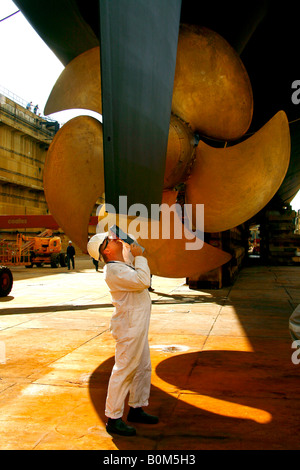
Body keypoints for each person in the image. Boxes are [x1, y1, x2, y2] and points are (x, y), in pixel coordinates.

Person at [87, 231, 158, 436]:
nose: (115, 239)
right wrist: (141, 257)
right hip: (129, 326)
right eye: (110, 240)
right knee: (125, 368)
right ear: (107, 250)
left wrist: (125, 239)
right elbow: (144, 280)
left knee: (143, 366)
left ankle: (137, 407)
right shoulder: (114, 271)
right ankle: (113, 417)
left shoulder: (121, 263)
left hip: (137, 323)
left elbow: (132, 245)